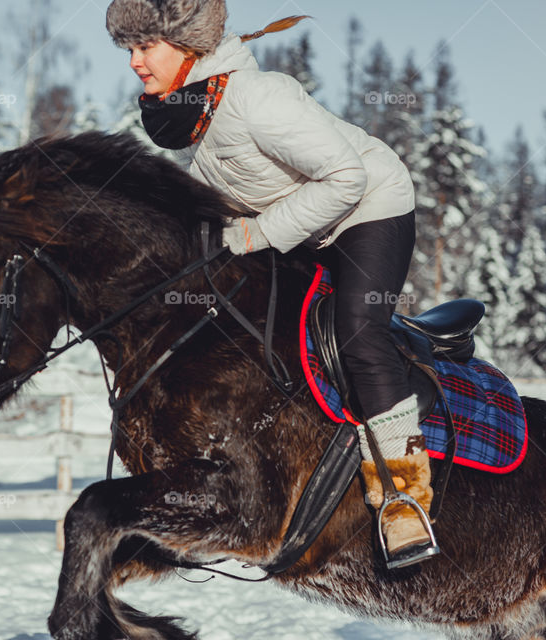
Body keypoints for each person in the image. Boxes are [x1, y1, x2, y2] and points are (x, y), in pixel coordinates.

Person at [106, 0, 437, 569]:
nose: (135, 62)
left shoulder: (258, 98)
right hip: (304, 223)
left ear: (189, 48)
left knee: (359, 336)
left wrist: (256, 236)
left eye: (145, 47)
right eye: (128, 49)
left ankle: (405, 497)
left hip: (369, 209)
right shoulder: (199, 123)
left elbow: (345, 178)